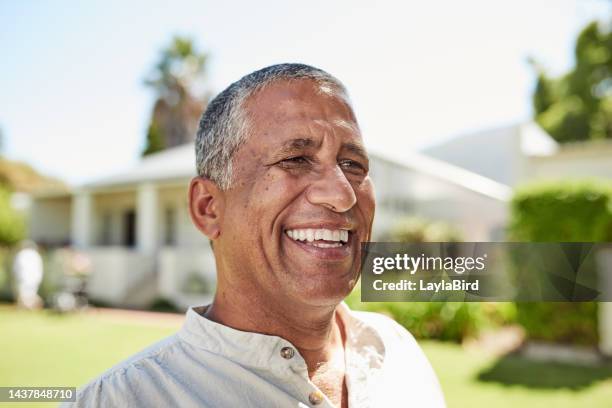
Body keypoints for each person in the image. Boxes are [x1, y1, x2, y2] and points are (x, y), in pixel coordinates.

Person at [66, 63, 445, 407]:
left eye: (353, 164)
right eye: (296, 160)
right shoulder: (122, 400)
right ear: (208, 208)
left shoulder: (398, 354)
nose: (342, 193)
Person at [12, 240, 44, 309]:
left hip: (24, 278)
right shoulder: (36, 255)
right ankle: (30, 307)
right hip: (34, 278)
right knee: (30, 294)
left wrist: (16, 276)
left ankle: (26, 307)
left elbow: (16, 267)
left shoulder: (21, 254)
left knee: (24, 295)